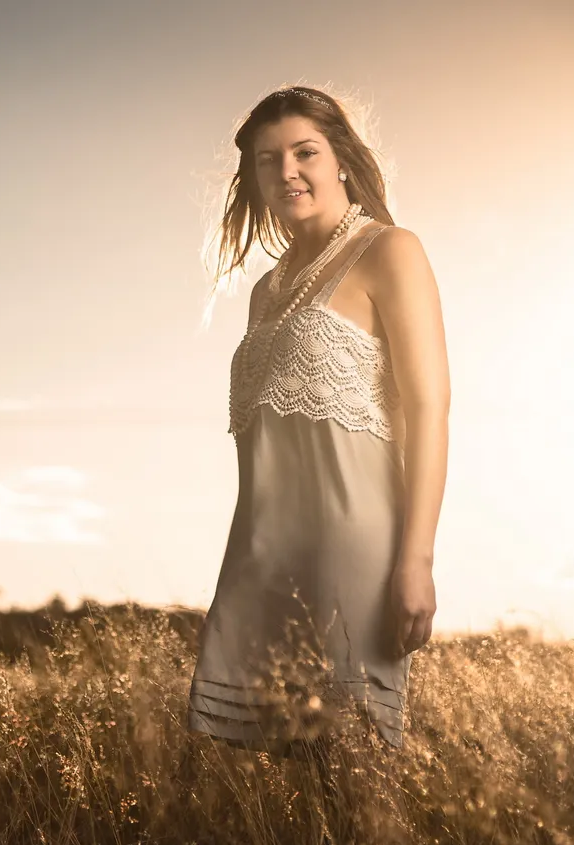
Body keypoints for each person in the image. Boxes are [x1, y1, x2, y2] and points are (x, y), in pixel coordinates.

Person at [185, 85, 450, 760]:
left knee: (356, 771)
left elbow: (430, 407)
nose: (287, 172)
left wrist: (416, 559)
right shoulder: (265, 292)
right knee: (279, 781)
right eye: (268, 159)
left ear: (340, 161)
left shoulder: (390, 250)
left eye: (305, 152)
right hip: (260, 551)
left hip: (354, 549)